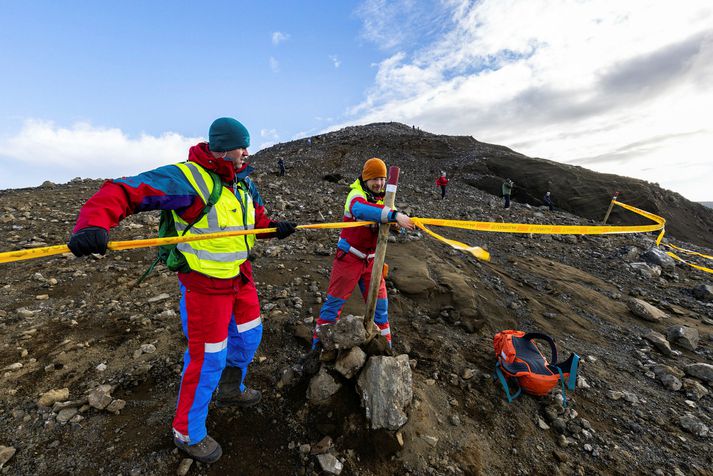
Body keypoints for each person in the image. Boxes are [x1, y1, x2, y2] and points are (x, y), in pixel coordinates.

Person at [67, 117, 297, 464]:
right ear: (222, 147)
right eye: (241, 146)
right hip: (205, 287)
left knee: (249, 337)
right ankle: (187, 431)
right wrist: (93, 222)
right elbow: (125, 190)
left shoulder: (244, 184)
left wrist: (273, 228)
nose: (247, 152)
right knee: (208, 358)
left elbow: (256, 220)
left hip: (240, 278)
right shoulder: (189, 178)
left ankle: (230, 389)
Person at [313, 158, 414, 349]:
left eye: (382, 179)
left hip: (373, 263)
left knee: (381, 310)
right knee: (333, 307)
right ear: (365, 179)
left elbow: (384, 217)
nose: (379, 183)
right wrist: (394, 215)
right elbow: (359, 208)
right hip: (349, 257)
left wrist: (395, 225)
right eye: (375, 179)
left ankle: (386, 350)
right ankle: (316, 351)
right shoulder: (355, 194)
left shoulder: (384, 199)